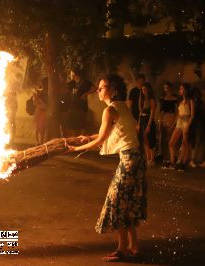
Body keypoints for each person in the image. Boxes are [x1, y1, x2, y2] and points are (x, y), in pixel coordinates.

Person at [68, 74, 147, 262]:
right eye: (99, 87)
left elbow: (102, 138)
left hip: (130, 160)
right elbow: (110, 130)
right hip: (136, 158)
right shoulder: (120, 106)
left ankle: (122, 249)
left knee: (117, 201)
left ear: (113, 90)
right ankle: (132, 247)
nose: (98, 90)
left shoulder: (110, 110)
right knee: (126, 203)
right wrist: (87, 138)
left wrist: (76, 148)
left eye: (103, 87)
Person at [168, 83, 195, 171]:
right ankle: (172, 161)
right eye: (180, 89)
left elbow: (192, 115)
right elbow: (178, 114)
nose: (180, 91)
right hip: (180, 122)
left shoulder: (190, 101)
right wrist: (173, 124)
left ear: (186, 90)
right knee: (171, 143)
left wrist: (188, 126)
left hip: (186, 121)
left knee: (184, 143)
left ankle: (181, 162)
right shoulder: (180, 101)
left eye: (181, 89)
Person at [64, 68, 95, 136]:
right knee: (73, 124)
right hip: (72, 107)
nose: (70, 75)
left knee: (81, 124)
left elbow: (94, 88)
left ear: (74, 73)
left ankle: (81, 139)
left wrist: (85, 94)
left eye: (71, 73)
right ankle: (75, 138)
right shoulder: (72, 83)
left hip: (81, 107)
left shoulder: (84, 82)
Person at [158, 82, 178, 164]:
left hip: (171, 118)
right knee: (163, 138)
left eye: (167, 87)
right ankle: (164, 157)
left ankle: (172, 157)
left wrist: (174, 122)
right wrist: (160, 121)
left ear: (170, 88)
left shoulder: (175, 99)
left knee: (171, 138)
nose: (166, 89)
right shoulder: (162, 98)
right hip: (163, 118)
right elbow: (160, 111)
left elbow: (177, 111)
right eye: (164, 88)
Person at [138, 82, 157, 166]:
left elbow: (152, 112)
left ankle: (152, 159)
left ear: (149, 89)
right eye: (142, 89)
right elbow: (140, 112)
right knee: (144, 139)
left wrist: (149, 125)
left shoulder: (151, 99)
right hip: (142, 119)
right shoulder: (142, 99)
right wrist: (138, 123)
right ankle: (148, 157)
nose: (143, 91)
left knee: (150, 139)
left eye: (145, 89)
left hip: (148, 119)